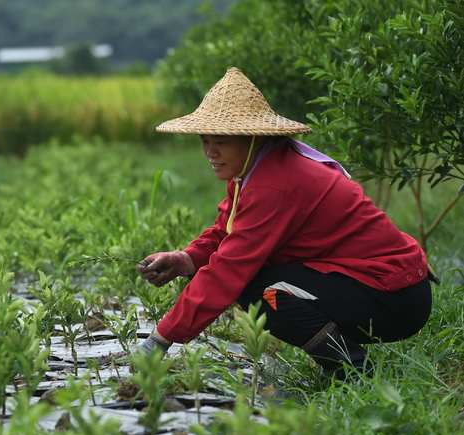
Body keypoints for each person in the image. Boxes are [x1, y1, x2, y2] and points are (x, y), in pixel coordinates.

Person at [133, 68, 432, 377]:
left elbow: (228, 270)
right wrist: (186, 259)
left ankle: (353, 371)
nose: (210, 152)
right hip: (377, 284)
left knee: (258, 289)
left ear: (251, 139)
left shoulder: (273, 183)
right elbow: (227, 232)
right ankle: (348, 364)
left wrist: (160, 339)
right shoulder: (257, 168)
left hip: (394, 296)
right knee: (255, 282)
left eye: (220, 141)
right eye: (205, 141)